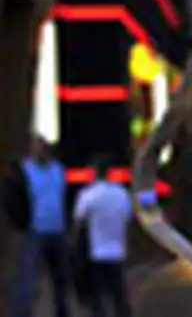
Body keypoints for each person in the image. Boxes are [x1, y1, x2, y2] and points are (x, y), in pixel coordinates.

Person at [2, 135, 72, 317]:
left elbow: (66, 196)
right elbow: (11, 197)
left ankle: (62, 311)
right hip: (34, 231)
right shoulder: (23, 170)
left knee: (61, 279)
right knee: (27, 279)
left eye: (43, 147)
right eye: (37, 147)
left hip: (57, 230)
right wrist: (20, 222)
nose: (41, 151)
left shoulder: (58, 169)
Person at [72, 154, 133, 317]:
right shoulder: (122, 194)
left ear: (94, 172)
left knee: (98, 299)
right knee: (119, 298)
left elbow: (78, 222)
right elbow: (128, 219)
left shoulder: (88, 195)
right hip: (118, 252)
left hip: (97, 253)